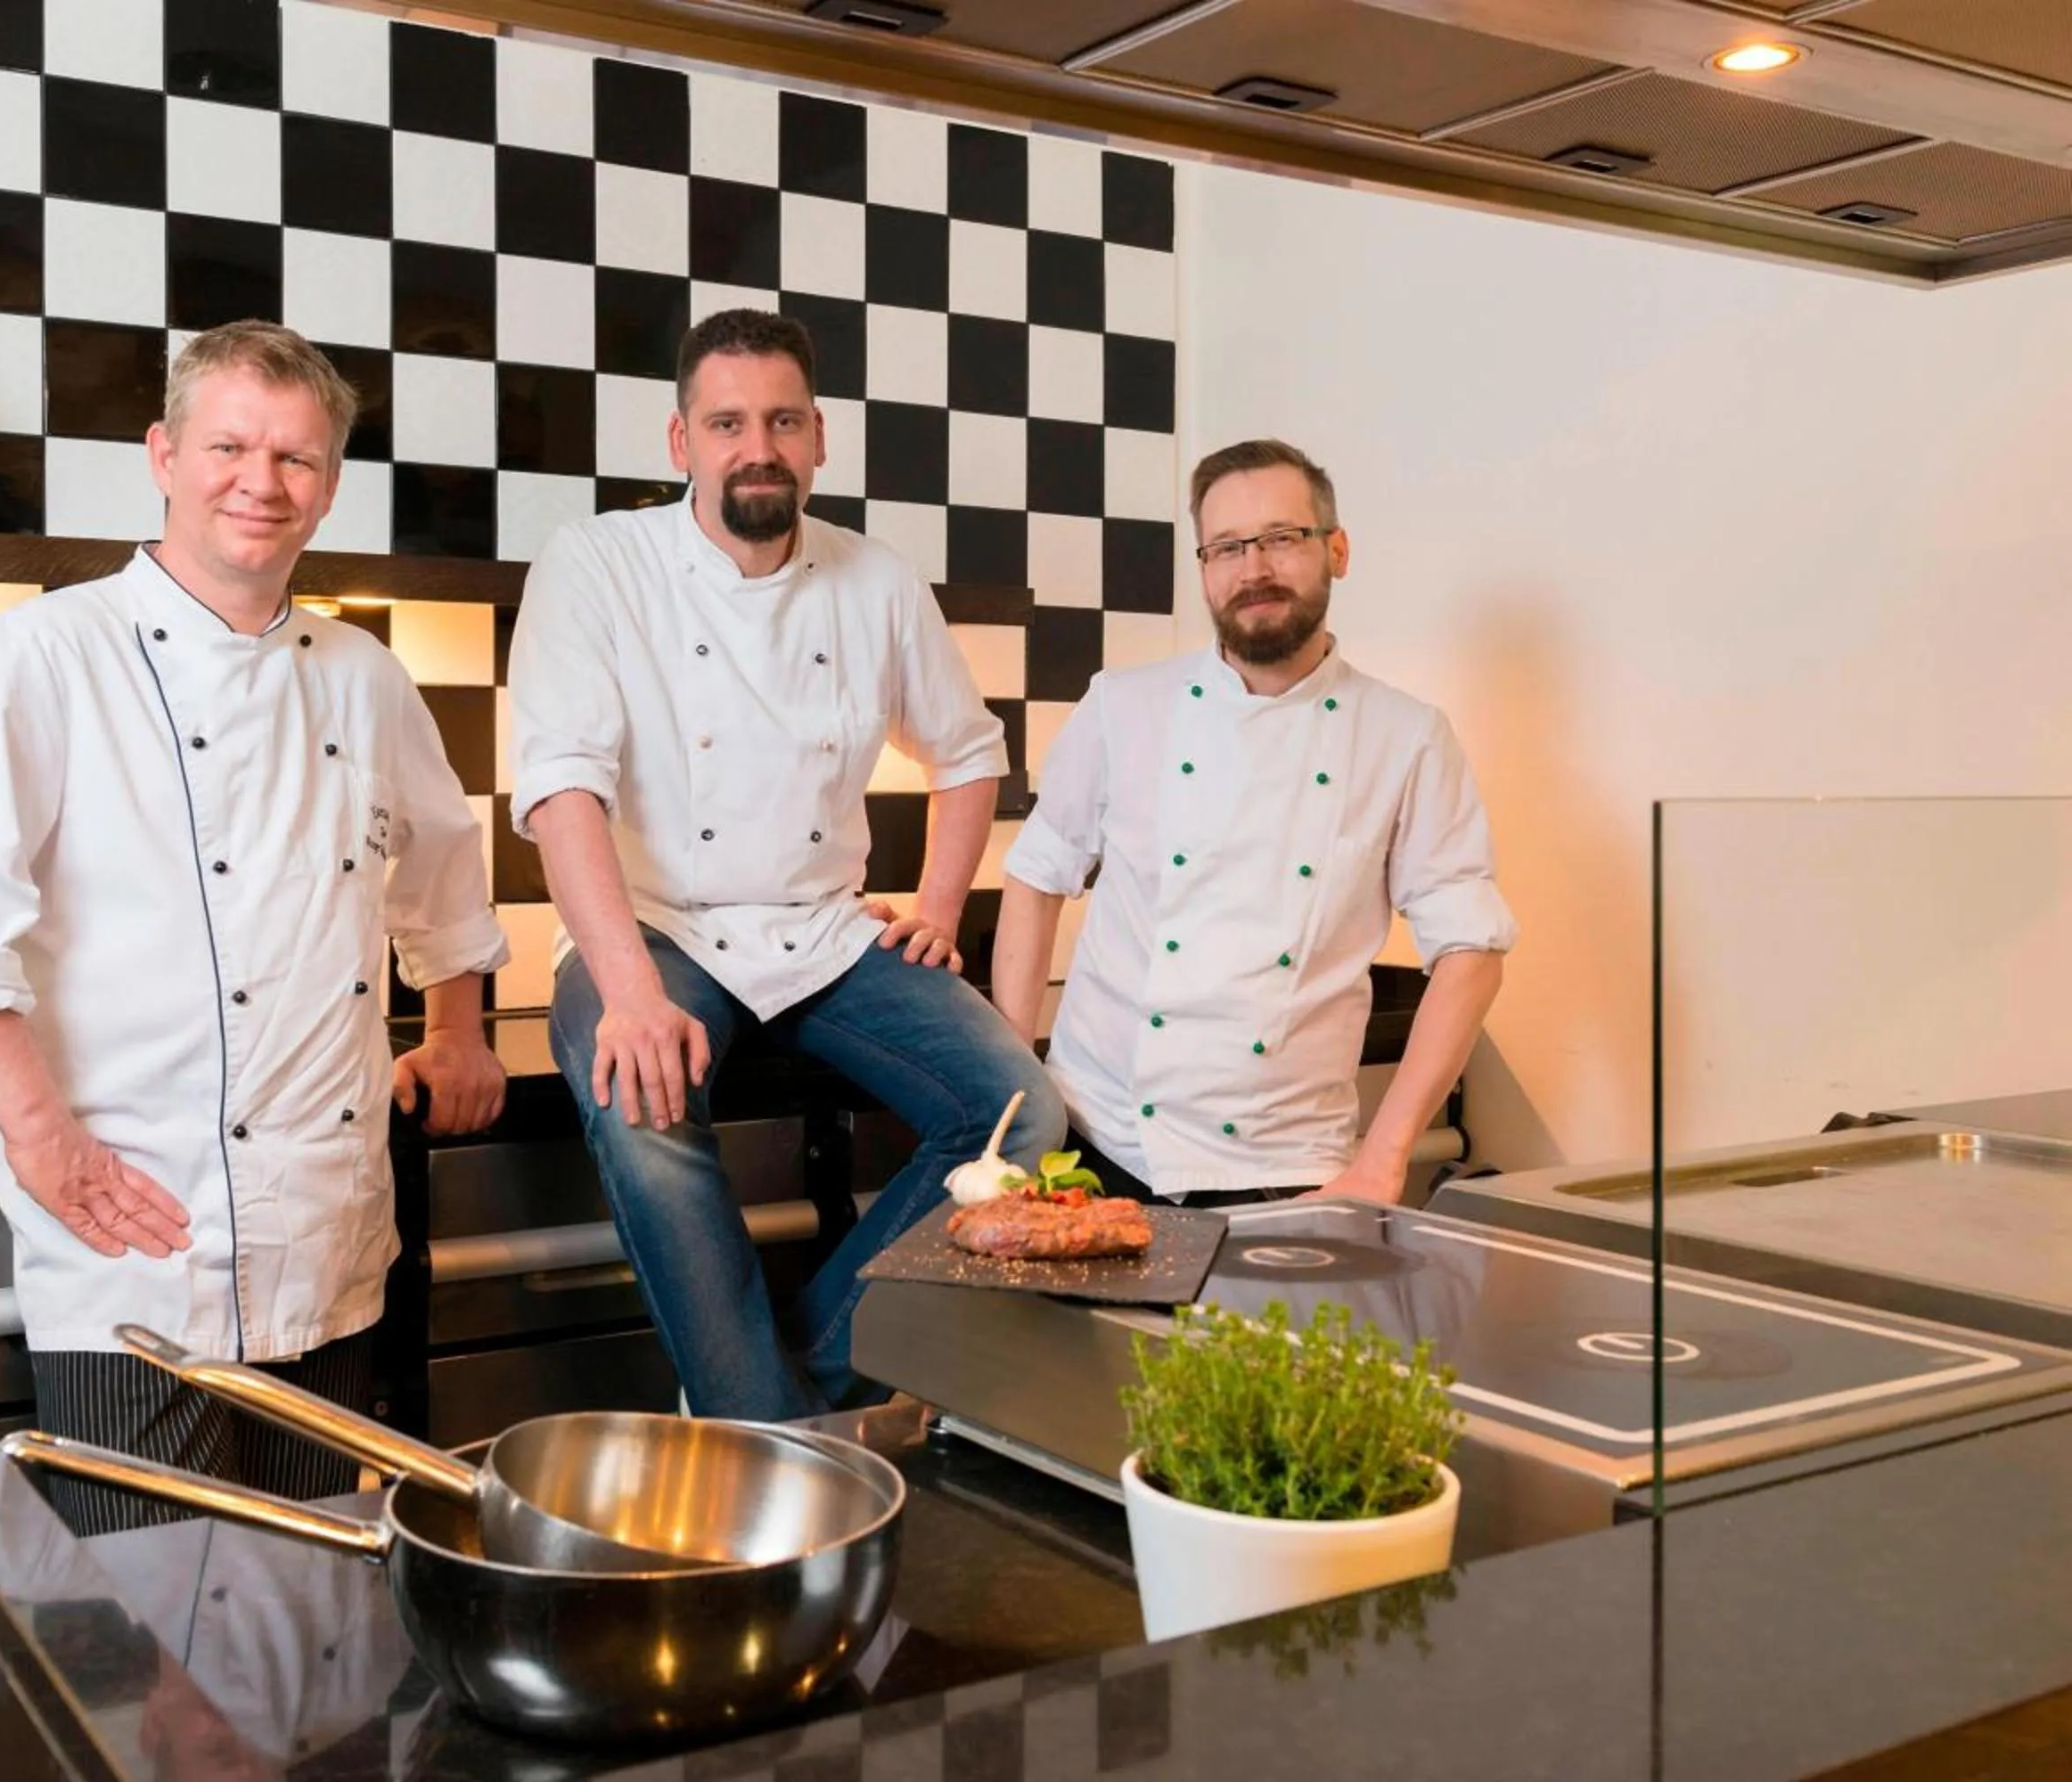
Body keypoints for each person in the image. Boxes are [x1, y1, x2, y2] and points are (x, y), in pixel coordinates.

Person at [0, 321, 509, 1533]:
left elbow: (448, 868)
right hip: (136, 1245)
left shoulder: (364, 675)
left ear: (330, 485)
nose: (262, 481)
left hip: (330, 1237)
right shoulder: (51, 653)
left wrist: (458, 1031)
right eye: (230, 446)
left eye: (296, 459)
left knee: (319, 1593)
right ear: (163, 454)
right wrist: (42, 1137)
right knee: (139, 1627)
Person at [509, 308, 1065, 1422]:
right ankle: (782, 1425)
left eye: (780, 420)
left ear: (818, 439)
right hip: (655, 926)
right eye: (725, 421)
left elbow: (970, 755)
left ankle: (768, 1407)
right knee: (644, 1101)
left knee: (1023, 1110)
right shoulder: (597, 564)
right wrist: (625, 992)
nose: (753, 445)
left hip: (825, 927)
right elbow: (561, 786)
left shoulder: (877, 581)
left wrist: (943, 906)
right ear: (681, 443)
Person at [990, 438, 1513, 1207]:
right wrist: (1015, 1106)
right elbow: (1036, 875)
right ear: (1204, 568)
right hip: (1092, 1142)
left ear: (1336, 549)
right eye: (1227, 547)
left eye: (1280, 539)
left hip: (1287, 1171)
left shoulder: (1406, 736)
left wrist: (1384, 1158)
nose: (1254, 568)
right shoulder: (1123, 706)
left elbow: (1472, 951)